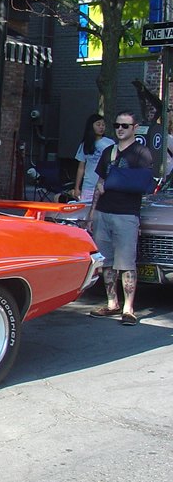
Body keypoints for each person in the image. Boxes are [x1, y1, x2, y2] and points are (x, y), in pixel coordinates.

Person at [87, 111, 153, 326]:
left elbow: (143, 185)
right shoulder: (109, 152)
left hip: (126, 215)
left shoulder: (142, 154)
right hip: (104, 213)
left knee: (126, 264)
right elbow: (100, 184)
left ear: (135, 127)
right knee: (106, 262)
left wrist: (114, 183)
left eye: (125, 125)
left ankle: (128, 308)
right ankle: (112, 303)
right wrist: (91, 213)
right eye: (117, 125)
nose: (120, 129)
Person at [72, 113, 114, 202]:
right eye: (98, 124)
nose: (101, 127)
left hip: (104, 186)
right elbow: (81, 168)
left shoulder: (110, 143)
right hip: (88, 186)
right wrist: (77, 188)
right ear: (91, 126)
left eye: (103, 125)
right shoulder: (85, 145)